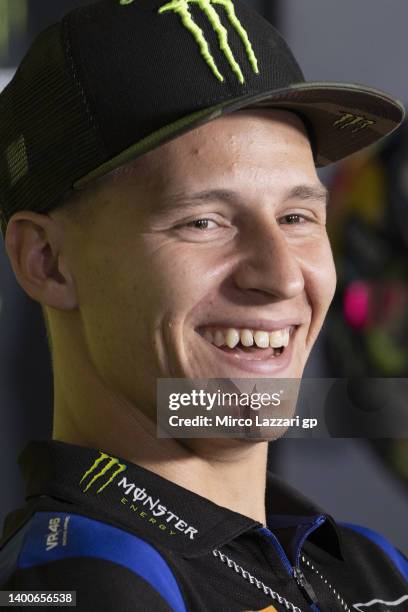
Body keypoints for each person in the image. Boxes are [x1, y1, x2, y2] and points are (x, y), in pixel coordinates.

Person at [0, 0, 407, 610]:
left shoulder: (372, 569)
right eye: (204, 221)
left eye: (297, 216)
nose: (281, 276)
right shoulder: (82, 581)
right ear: (48, 262)